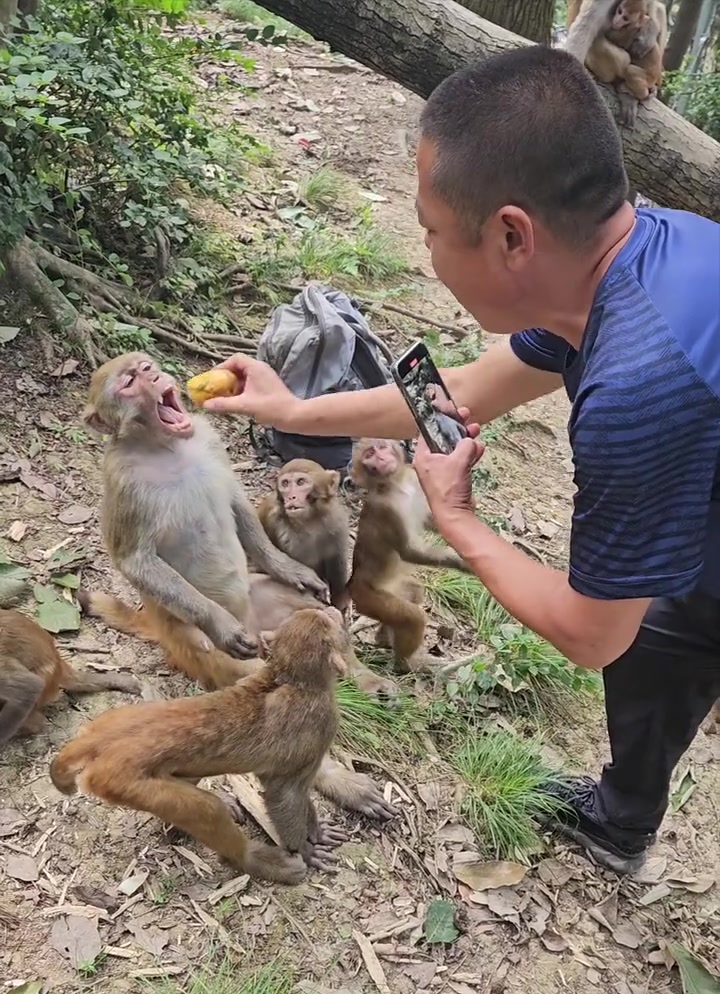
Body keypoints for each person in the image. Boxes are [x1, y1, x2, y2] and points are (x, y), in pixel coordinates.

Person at [205, 45, 720, 878]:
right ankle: (622, 820)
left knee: (646, 628)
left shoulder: (637, 384)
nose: (430, 251)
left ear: (512, 234)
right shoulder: (640, 251)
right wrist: (292, 409)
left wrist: (458, 518)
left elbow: (593, 635)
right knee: (669, 631)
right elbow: (469, 389)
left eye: (432, 232)